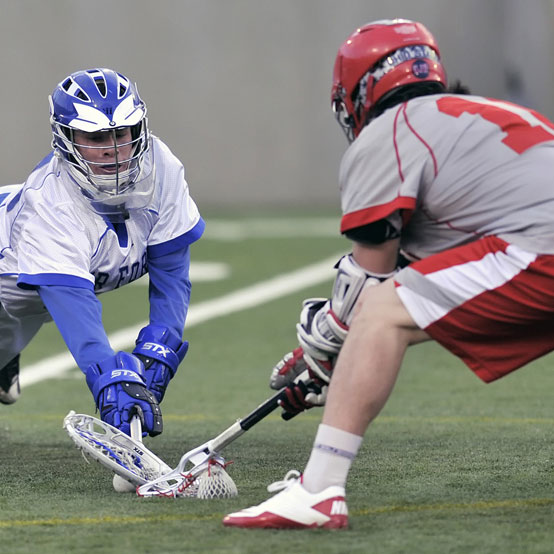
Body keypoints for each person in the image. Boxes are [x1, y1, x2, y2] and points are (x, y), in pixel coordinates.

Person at [223, 18, 554, 529]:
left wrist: (323, 350)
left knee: (382, 311)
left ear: (359, 88)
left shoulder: (390, 132)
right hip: (534, 241)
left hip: (541, 247)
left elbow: (371, 288)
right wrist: (338, 357)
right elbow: (442, 280)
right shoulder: (489, 116)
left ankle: (319, 491)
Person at [0, 68, 204, 437]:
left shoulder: (162, 166)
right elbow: (76, 310)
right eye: (94, 136)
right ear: (66, 139)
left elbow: (171, 270)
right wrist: (108, 378)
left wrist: (161, 344)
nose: (112, 148)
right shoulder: (48, 204)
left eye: (121, 133)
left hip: (38, 292)